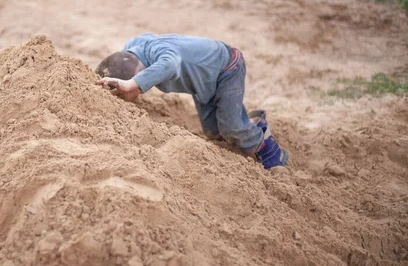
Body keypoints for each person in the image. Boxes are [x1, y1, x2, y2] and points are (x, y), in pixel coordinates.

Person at [95, 33, 289, 169]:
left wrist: (130, 84)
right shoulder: (133, 47)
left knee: (231, 127)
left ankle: (269, 150)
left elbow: (170, 64)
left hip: (227, 68)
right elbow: (122, 61)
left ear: (136, 76)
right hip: (203, 82)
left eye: (122, 94)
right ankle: (240, 134)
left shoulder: (162, 55)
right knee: (213, 130)